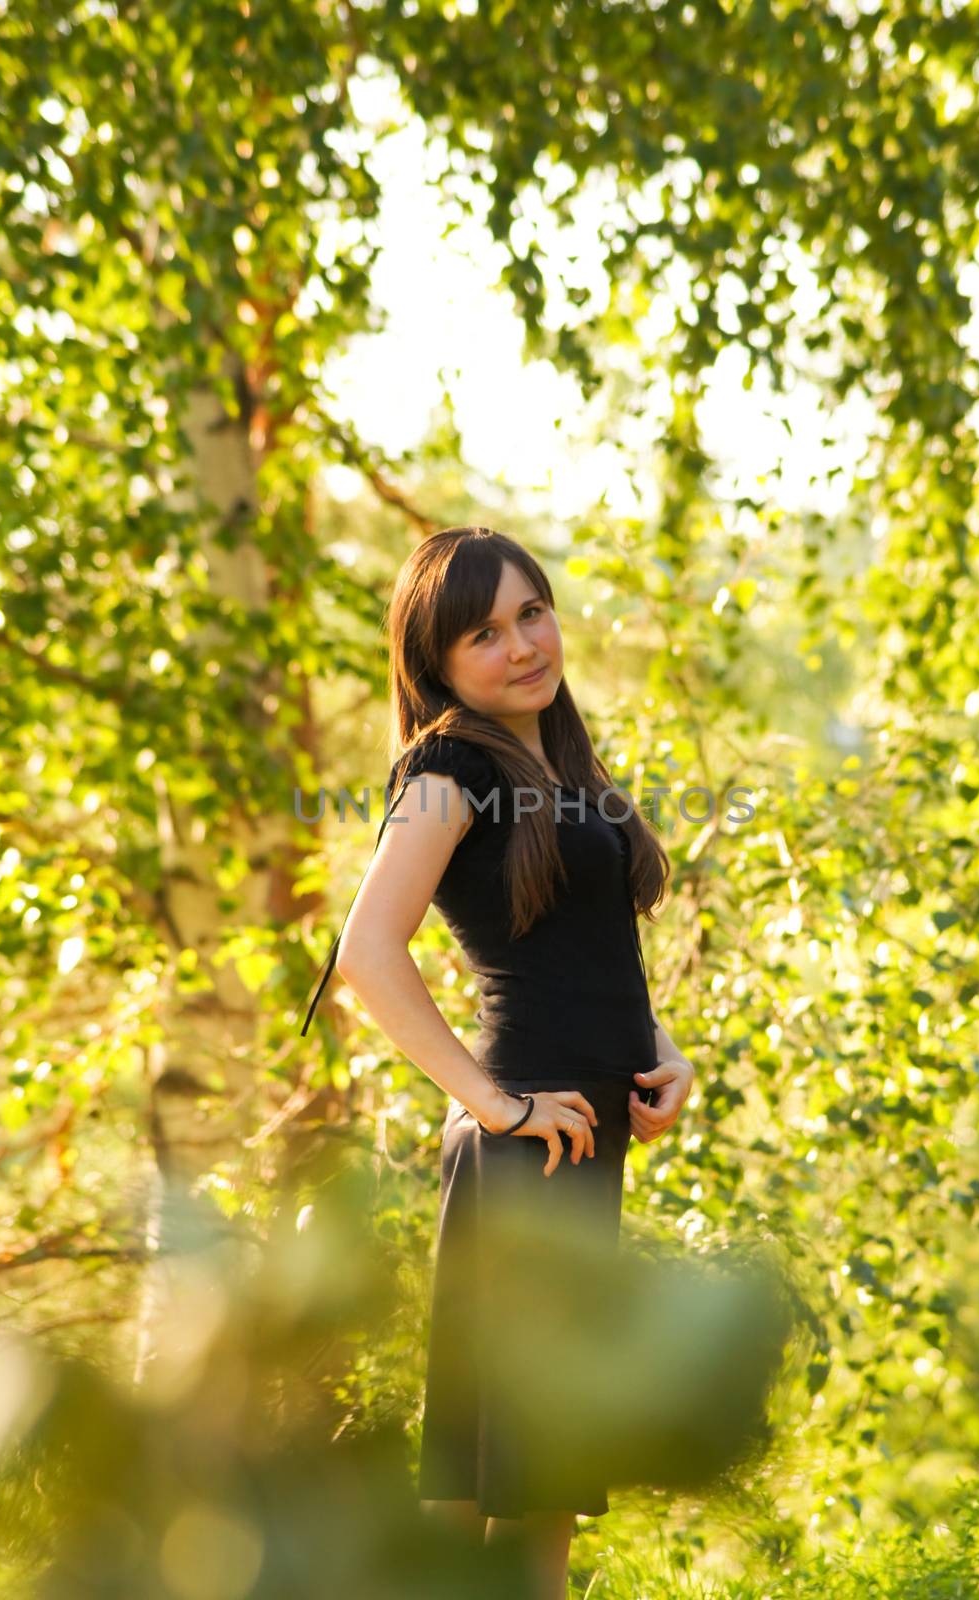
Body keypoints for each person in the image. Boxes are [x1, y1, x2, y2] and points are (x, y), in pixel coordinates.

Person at [303, 525, 695, 1600]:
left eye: (532, 611)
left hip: (577, 1135)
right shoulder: (451, 764)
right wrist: (491, 1103)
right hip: (530, 1143)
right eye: (484, 631)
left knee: (536, 1470)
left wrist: (657, 1053)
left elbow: (577, 946)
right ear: (436, 666)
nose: (522, 644)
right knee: (512, 1470)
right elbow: (366, 953)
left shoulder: (552, 759)